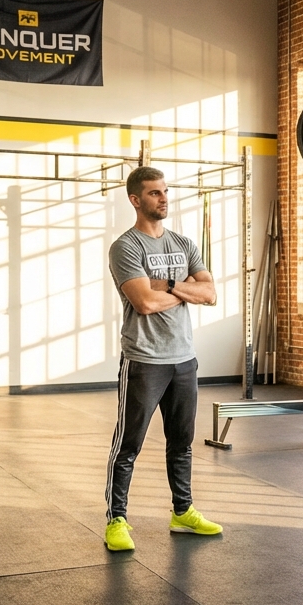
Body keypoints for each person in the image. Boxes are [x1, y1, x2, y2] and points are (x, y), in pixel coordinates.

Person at [103, 166, 222, 551]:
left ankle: (183, 511)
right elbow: (144, 302)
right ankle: (116, 519)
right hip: (144, 360)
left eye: (165, 191)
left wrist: (168, 284)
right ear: (136, 200)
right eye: (155, 193)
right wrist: (186, 289)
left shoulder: (184, 244)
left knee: (182, 442)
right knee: (129, 443)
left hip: (183, 359)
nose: (164, 198)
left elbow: (211, 294)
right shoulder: (127, 247)